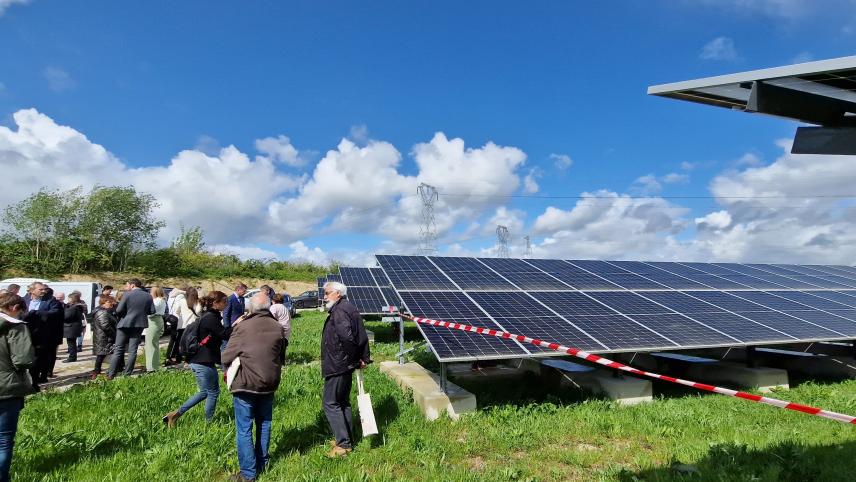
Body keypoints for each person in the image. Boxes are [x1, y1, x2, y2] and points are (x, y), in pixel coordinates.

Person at [222, 292, 285, 482]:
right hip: (270, 381)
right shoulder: (277, 327)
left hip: (246, 382)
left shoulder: (243, 326)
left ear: (251, 307)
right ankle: (262, 463)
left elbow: (225, 356)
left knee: (244, 428)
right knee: (264, 423)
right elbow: (281, 355)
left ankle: (248, 473)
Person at [162, 291, 232, 427]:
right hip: (202, 360)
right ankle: (208, 422)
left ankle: (175, 414)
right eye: (224, 301)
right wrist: (238, 324)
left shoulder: (209, 316)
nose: (226, 304)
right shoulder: (211, 318)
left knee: (206, 392)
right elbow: (224, 334)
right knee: (212, 392)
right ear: (215, 303)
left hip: (200, 359)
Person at [320, 281, 371, 457]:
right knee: (343, 402)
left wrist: (356, 358)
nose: (324, 296)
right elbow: (361, 335)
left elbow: (347, 338)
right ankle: (347, 437)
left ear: (338, 294)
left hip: (338, 364)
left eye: (327, 293)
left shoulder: (340, 310)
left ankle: (343, 445)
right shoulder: (348, 307)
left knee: (330, 403)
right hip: (345, 363)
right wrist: (362, 357)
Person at [0, 292, 36, 481]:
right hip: (6, 388)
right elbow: (24, 360)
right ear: (14, 308)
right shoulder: (16, 327)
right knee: (3, 440)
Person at [106, 279, 154, 379]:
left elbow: (119, 310)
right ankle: (127, 374)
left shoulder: (127, 295)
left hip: (125, 323)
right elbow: (152, 311)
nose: (126, 287)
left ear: (132, 285)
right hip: (139, 324)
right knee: (133, 350)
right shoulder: (148, 296)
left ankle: (111, 374)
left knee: (119, 349)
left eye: (127, 285)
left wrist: (125, 314)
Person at [22, 283, 62, 390]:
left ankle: (34, 382)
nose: (43, 291)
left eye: (44, 289)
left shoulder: (51, 300)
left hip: (41, 336)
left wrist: (37, 313)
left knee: (37, 360)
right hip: (24, 334)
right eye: (41, 289)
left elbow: (55, 313)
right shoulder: (22, 300)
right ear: (32, 290)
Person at [166, 286, 199, 366]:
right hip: (193, 324)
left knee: (180, 342)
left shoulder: (181, 301)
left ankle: (178, 358)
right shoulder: (196, 302)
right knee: (191, 342)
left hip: (182, 324)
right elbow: (198, 312)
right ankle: (188, 360)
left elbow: (176, 311)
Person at [91, 295, 118, 379]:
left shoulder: (104, 311)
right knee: (101, 355)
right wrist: (114, 335)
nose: (112, 304)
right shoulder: (102, 312)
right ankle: (97, 372)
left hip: (104, 337)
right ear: (104, 302)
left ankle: (98, 371)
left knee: (103, 355)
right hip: (104, 337)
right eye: (110, 302)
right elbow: (105, 326)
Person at [145, 287, 167, 372]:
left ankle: (151, 367)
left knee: (151, 344)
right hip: (157, 320)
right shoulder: (162, 300)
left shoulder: (157, 300)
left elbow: (151, 312)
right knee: (153, 344)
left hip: (154, 321)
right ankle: (154, 365)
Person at [62, 292, 86, 363]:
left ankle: (72, 357)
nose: (68, 299)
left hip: (71, 327)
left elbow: (67, 317)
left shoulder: (74, 307)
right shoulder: (77, 306)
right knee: (72, 343)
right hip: (74, 327)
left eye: (69, 298)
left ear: (72, 299)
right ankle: (73, 356)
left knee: (71, 343)